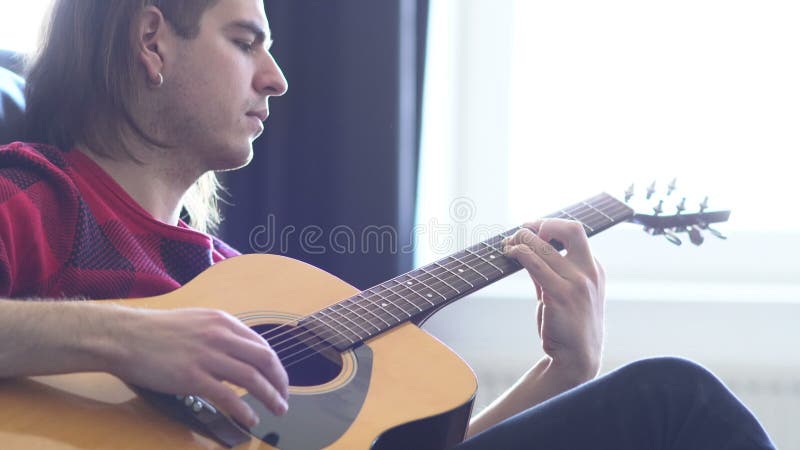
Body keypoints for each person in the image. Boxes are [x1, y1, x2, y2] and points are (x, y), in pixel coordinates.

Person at [0, 1, 775, 449]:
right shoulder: (40, 198)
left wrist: (563, 372)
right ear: (150, 42)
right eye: (245, 42)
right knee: (679, 402)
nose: (277, 77)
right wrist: (131, 339)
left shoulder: (234, 277)